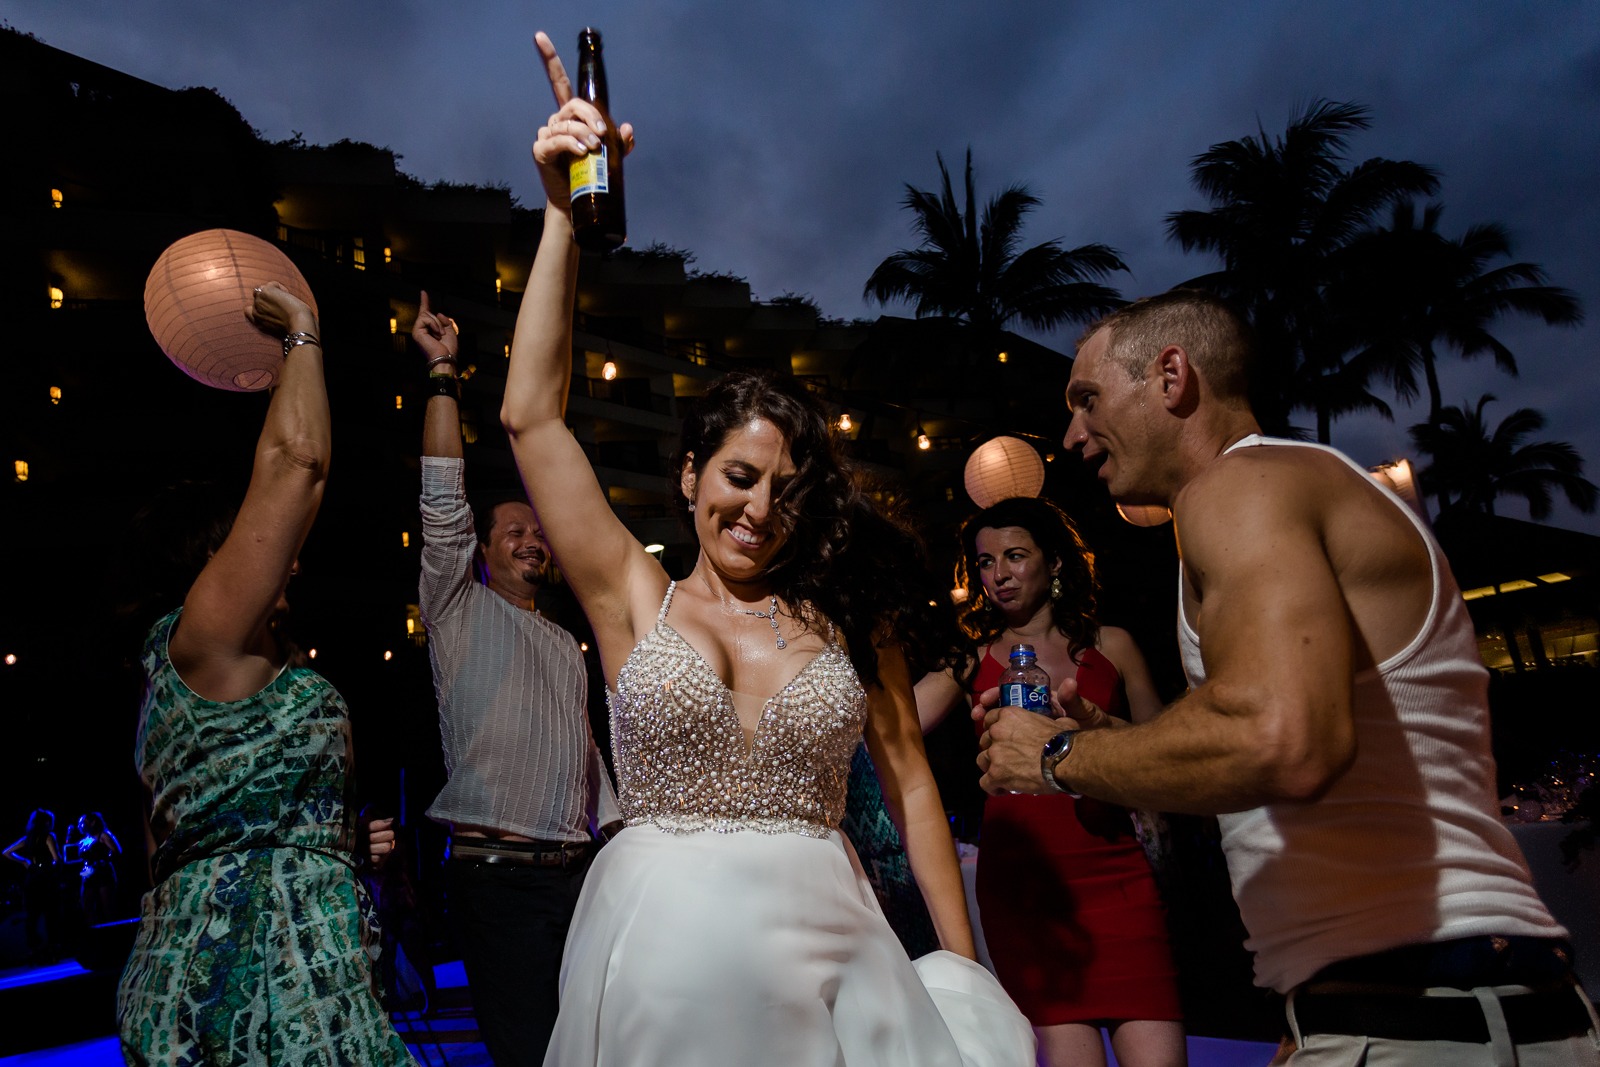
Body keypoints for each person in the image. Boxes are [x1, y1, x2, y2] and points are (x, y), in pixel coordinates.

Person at [495, 32, 1033, 1066]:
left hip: (834, 952)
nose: (757, 510)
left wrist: (966, 987)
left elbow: (913, 784)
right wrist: (562, 210)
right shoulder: (631, 597)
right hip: (665, 956)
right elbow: (531, 419)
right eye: (738, 479)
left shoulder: (841, 610)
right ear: (691, 475)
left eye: (785, 490)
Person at [978, 289, 1599, 1065]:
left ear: (1171, 377)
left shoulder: (1238, 488)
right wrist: (1310, 1024)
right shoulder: (1292, 490)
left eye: (1088, 398)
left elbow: (1282, 738)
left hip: (1422, 1009)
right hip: (1450, 1004)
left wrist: (1054, 758)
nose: (1071, 435)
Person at [115, 282, 413, 1065]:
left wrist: (336, 844)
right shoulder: (204, 636)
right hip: (248, 998)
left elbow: (176, 847)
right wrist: (303, 335)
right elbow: (296, 462)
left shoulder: (193, 684)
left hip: (302, 978)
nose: (288, 556)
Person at [410, 289, 622, 1065]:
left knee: (593, 1046)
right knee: (530, 1052)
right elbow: (442, 502)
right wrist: (442, 374)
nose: (533, 538)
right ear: (484, 550)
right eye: (514, 530)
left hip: (579, 875)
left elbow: (590, 763)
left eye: (539, 530)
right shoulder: (458, 605)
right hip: (497, 882)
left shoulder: (571, 641)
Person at [920, 496, 1185, 1067]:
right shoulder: (969, 660)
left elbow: (1168, 751)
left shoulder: (1112, 647)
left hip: (1120, 876)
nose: (999, 576)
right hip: (1027, 888)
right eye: (986, 563)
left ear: (1055, 563)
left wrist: (1096, 732)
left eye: (1015, 556)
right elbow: (901, 721)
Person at [4, 808, 61, 959]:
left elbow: (6, 852)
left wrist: (24, 861)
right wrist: (52, 867)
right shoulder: (49, 837)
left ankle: (33, 949)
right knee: (50, 914)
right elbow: (57, 859)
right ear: (47, 822)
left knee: (32, 915)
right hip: (46, 877)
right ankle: (52, 948)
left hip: (32, 876)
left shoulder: (27, 838)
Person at [72, 811, 122, 926]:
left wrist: (103, 860)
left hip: (103, 873)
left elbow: (116, 851)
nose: (80, 826)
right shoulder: (83, 840)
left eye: (83, 823)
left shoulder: (103, 835)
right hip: (88, 874)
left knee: (108, 907)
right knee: (87, 905)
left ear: (93, 822)